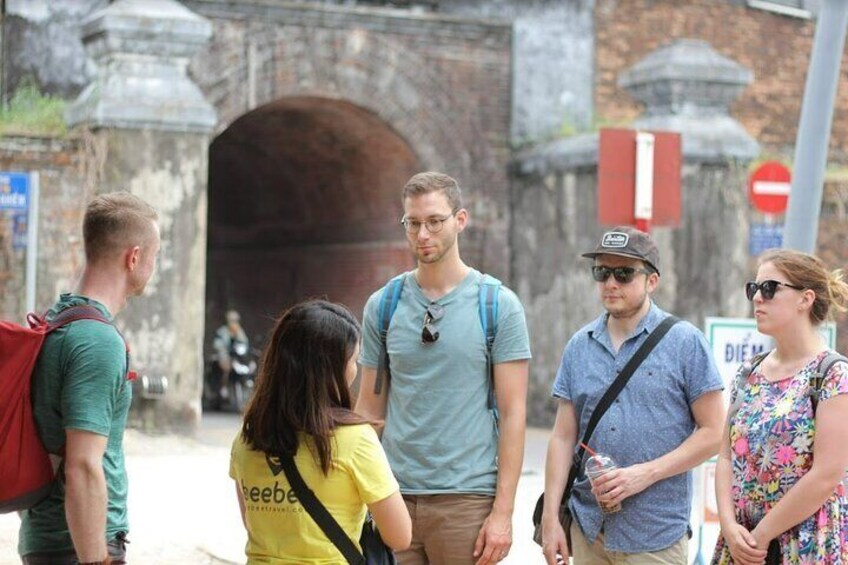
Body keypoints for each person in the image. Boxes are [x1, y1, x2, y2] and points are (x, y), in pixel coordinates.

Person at [356, 172, 532, 565]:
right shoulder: (383, 306)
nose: (423, 234)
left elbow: (513, 413)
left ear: (460, 220)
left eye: (434, 221)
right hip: (392, 496)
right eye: (413, 223)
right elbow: (368, 411)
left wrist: (502, 513)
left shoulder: (498, 305)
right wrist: (359, 494)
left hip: (466, 500)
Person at [541, 226, 725, 565]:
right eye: (602, 272)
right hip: (587, 528)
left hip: (655, 534)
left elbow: (715, 433)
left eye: (624, 273)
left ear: (651, 280)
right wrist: (550, 520)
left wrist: (645, 474)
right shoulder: (579, 346)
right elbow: (563, 437)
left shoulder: (685, 342)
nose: (611, 283)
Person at [18, 191, 161, 564]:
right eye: (155, 256)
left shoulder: (53, 321)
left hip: (46, 539)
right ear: (134, 257)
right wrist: (96, 559)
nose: (153, 266)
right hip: (79, 547)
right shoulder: (97, 341)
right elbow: (83, 464)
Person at [229, 299, 411, 562]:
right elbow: (400, 536)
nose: (355, 369)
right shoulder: (355, 440)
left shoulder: (247, 438)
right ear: (330, 369)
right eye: (353, 360)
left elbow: (251, 522)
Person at [711, 249, 848, 565]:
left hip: (806, 545)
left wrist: (760, 535)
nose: (758, 298)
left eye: (770, 288)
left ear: (806, 299)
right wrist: (730, 527)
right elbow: (726, 456)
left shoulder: (832, 373)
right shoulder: (749, 372)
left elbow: (827, 475)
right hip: (743, 544)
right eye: (754, 289)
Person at [213, 309, 249, 399]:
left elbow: (245, 342)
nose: (234, 322)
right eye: (232, 320)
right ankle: (223, 387)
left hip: (236, 355)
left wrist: (238, 334)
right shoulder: (222, 331)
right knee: (226, 366)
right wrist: (223, 347)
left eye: (235, 320)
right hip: (226, 354)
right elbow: (217, 343)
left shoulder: (239, 331)